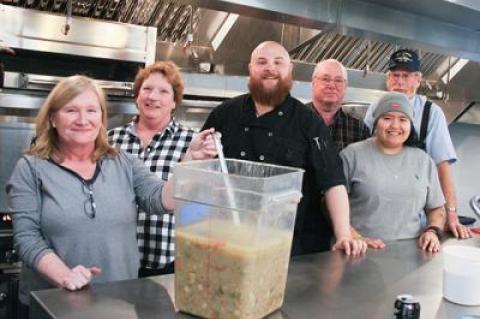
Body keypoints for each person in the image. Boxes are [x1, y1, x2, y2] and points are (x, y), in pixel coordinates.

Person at [6, 75, 216, 316]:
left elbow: (162, 200)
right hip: (55, 302)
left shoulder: (123, 162)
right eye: (71, 110)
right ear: (53, 118)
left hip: (119, 301)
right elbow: (26, 237)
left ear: (101, 118)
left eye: (91, 110)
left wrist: (190, 160)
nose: (83, 120)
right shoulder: (31, 168)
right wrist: (65, 275)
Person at [201, 41, 367, 256]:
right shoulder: (224, 114)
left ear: (290, 71)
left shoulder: (309, 123)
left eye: (278, 62)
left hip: (287, 247)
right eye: (262, 62)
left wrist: (344, 234)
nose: (270, 68)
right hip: (226, 240)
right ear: (250, 69)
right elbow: (199, 173)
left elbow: (333, 182)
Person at [364, 49, 472, 240]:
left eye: (406, 76)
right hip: (376, 218)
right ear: (388, 79)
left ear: (417, 80)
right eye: (395, 75)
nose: (400, 81)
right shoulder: (374, 109)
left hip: (416, 221)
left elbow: (442, 167)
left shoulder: (431, 113)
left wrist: (451, 214)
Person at [108, 61, 193, 277]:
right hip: (115, 260)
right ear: (137, 96)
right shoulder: (111, 139)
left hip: (169, 262)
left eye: (164, 91)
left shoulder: (192, 142)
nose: (153, 97)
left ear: (174, 101)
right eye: (146, 89)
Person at [342, 92, 446, 252]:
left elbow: (436, 209)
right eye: (387, 118)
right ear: (376, 122)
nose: (395, 126)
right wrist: (354, 236)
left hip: (412, 253)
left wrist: (432, 231)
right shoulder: (352, 155)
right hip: (358, 250)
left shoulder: (423, 160)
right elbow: (328, 205)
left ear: (410, 125)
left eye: (403, 119)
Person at [307, 59, 370, 151]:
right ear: (313, 83)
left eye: (338, 80)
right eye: (325, 79)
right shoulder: (293, 121)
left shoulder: (359, 130)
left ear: (345, 87)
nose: (332, 85)